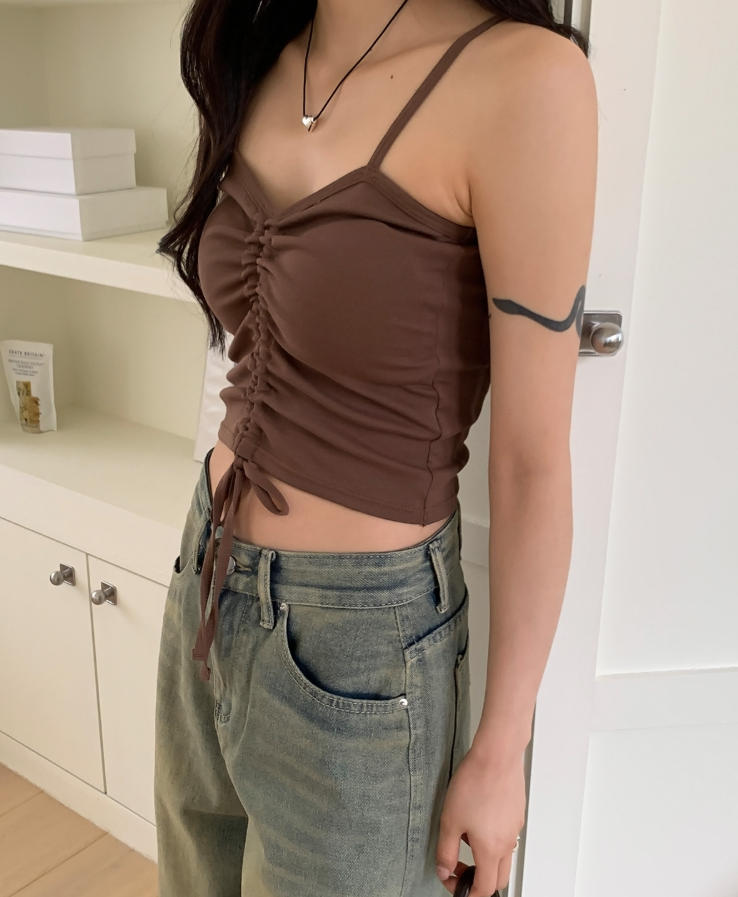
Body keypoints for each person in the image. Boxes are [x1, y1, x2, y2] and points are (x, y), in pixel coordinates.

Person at [154, 0, 597, 895]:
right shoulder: (259, 55)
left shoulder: (525, 78)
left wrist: (501, 746)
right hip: (207, 576)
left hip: (359, 649)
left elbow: (532, 461)